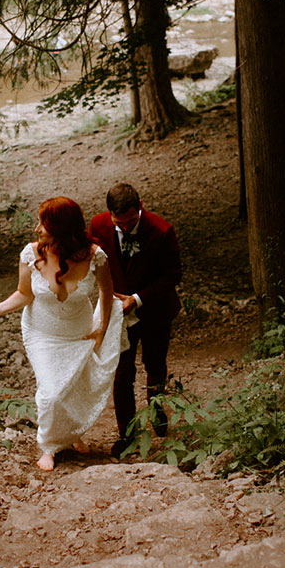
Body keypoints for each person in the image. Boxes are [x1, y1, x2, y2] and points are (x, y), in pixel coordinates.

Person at [0, 197, 127, 471]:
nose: (36, 229)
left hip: (78, 331)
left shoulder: (95, 255)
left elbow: (106, 291)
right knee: (51, 393)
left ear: (61, 228)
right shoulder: (31, 254)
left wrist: (101, 329)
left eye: (42, 224)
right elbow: (24, 293)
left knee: (72, 386)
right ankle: (48, 445)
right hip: (41, 333)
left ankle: (72, 434)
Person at [89, 183, 182, 458]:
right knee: (122, 373)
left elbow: (172, 275)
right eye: (121, 223)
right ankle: (126, 434)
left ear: (139, 206)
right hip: (119, 314)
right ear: (109, 215)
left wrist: (138, 298)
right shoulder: (98, 226)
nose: (127, 227)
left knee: (155, 364)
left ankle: (156, 410)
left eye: (132, 221)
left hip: (155, 309)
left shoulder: (162, 230)